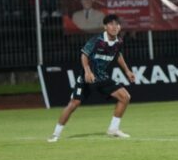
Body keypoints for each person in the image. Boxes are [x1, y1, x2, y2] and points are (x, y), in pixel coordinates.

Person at [48, 14, 137, 142]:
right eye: (111, 24)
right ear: (105, 27)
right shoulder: (97, 40)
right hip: (87, 77)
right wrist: (87, 71)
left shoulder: (119, 41)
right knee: (74, 104)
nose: (114, 27)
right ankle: (55, 134)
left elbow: (118, 54)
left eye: (117, 24)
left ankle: (113, 129)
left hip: (102, 76)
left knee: (125, 97)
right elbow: (84, 55)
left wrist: (127, 71)